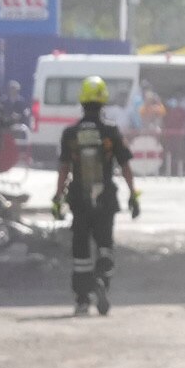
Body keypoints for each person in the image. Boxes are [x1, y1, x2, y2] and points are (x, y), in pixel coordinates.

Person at [54, 81, 139, 314]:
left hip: (79, 199)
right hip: (106, 198)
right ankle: (102, 278)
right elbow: (125, 166)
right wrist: (134, 195)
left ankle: (82, 299)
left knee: (81, 248)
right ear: (103, 103)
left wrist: (57, 198)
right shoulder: (111, 132)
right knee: (105, 244)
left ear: (82, 103)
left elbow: (64, 168)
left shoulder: (70, 134)